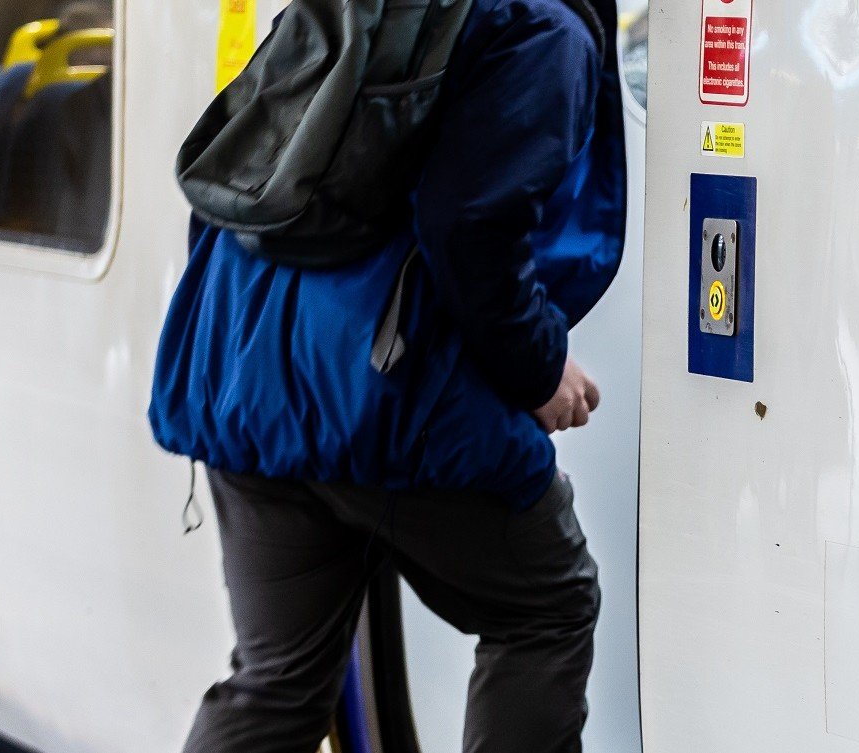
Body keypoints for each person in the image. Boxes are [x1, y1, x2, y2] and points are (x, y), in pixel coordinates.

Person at [155, 0, 627, 749]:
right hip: (377, 385)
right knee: (547, 606)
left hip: (239, 364)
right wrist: (540, 369)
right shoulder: (548, 29)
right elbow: (469, 227)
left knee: (277, 678)